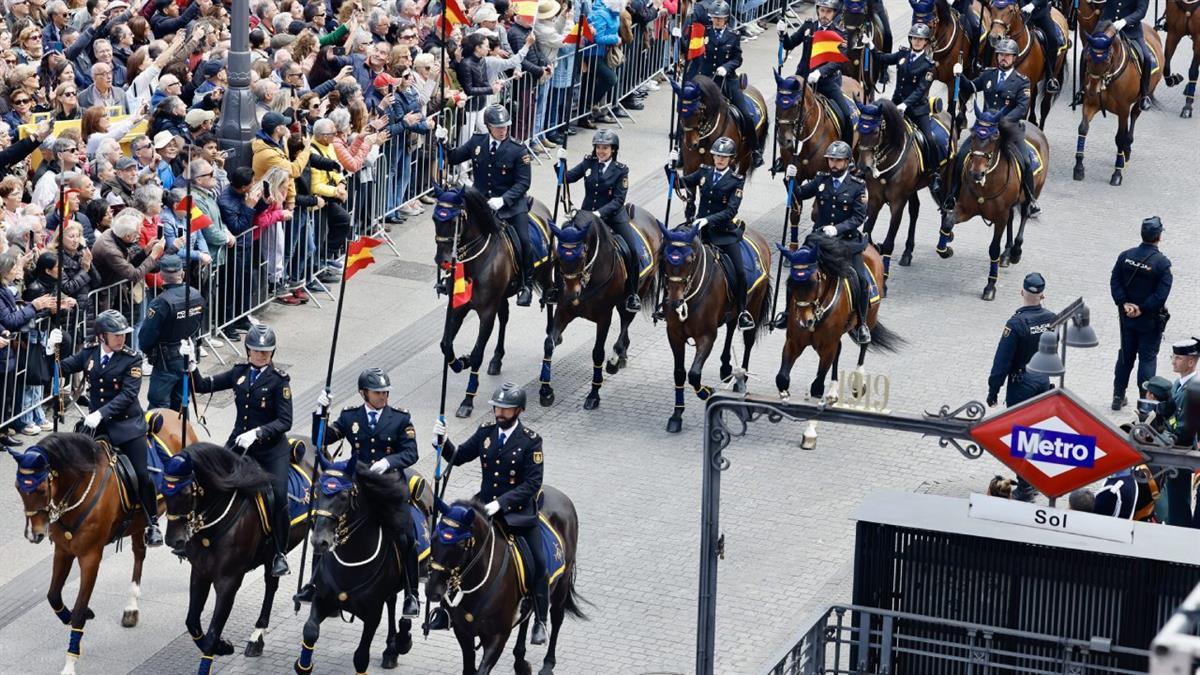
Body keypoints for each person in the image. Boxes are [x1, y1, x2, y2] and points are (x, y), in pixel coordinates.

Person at [429, 383, 549, 644]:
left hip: (516, 515)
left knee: (538, 562)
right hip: (482, 512)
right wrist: (442, 442)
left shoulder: (530, 441)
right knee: (451, 546)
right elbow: (459, 456)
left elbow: (532, 484)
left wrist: (502, 503)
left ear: (519, 410)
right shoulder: (486, 433)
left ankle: (540, 619)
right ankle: (445, 610)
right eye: (497, 408)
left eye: (506, 409)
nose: (500, 413)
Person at [296, 368, 421, 614]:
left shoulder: (400, 419)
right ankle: (314, 583)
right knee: (324, 521)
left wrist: (388, 462)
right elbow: (321, 441)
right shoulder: (350, 417)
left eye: (385, 392)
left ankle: (411, 594)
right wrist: (320, 415)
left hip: (387, 487)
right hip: (356, 486)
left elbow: (411, 452)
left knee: (407, 534)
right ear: (364, 393)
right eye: (377, 392)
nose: (383, 396)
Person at [186, 325, 293, 576]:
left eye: (265, 352)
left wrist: (258, 433)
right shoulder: (239, 373)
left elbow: (284, 421)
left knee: (278, 496)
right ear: (248, 351)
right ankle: (192, 533)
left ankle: (279, 553)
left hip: (269, 449)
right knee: (207, 479)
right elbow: (202, 386)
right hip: (239, 442)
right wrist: (191, 364)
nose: (261, 355)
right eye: (256, 351)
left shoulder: (279, 381)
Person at [48, 310, 162, 545]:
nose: (122, 339)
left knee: (141, 474)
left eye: (124, 334)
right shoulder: (89, 354)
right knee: (70, 464)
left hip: (127, 425)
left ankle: (153, 523)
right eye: (116, 335)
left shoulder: (132, 359)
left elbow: (128, 394)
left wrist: (100, 413)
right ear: (101, 337)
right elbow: (60, 369)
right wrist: (52, 351)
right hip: (97, 426)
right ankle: (63, 510)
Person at [438, 104, 534, 306]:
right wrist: (443, 141)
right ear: (488, 126)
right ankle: (452, 275)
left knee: (524, 240)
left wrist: (504, 199)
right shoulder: (477, 141)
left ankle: (526, 284)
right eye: (498, 127)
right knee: (458, 231)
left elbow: (523, 182)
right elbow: (454, 158)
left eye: (505, 126)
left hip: (510, 206)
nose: (503, 130)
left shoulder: (519, 150)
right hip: (481, 204)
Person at [785, 141, 871, 344]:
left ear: (848, 162)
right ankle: (786, 313)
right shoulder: (821, 180)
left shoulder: (858, 186)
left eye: (838, 160)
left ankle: (862, 324)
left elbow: (859, 218)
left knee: (861, 280)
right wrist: (790, 179)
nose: (833, 164)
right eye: (831, 160)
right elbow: (799, 194)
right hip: (820, 240)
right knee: (797, 272)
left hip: (845, 241)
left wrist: (838, 228)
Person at [670, 136, 755, 331]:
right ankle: (667, 301)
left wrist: (708, 219)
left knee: (740, 272)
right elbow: (679, 184)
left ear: (731, 159)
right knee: (674, 257)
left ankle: (742, 311)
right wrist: (671, 167)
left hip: (723, 233)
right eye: (717, 156)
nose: (719, 160)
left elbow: (730, 211)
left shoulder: (736, 181)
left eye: (724, 157)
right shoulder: (704, 173)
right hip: (700, 232)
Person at [986, 272, 1056, 502]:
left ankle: (1026, 486)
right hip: (1043, 380)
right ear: (1043, 294)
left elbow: (1002, 360)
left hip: (1021, 383)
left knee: (1021, 437)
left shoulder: (1015, 323)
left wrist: (993, 389)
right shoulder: (1052, 319)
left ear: (1022, 292)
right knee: (1039, 433)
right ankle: (1036, 480)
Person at [950, 38, 1039, 214]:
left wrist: (1002, 121)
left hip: (1009, 128)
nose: (1003, 58)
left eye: (1007, 55)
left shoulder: (1022, 81)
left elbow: (1022, 108)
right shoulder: (988, 75)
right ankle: (953, 195)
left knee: (1026, 161)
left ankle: (1030, 200)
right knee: (960, 156)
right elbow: (971, 87)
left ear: (1015, 58)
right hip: (984, 130)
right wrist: (960, 75)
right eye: (1000, 55)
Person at [560, 130, 641, 311]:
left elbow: (619, 200)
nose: (601, 151)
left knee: (631, 250)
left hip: (613, 217)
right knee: (567, 240)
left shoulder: (621, 170)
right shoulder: (589, 163)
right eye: (598, 147)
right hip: (587, 216)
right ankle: (559, 284)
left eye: (605, 148)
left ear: (613, 150)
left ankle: (632, 293)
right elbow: (567, 178)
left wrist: (600, 213)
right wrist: (561, 164)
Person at [1110, 216, 1171, 410]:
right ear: (1159, 236)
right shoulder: (1162, 264)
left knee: (1125, 357)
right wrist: (1142, 308)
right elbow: (1161, 294)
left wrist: (1125, 304)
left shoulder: (1125, 256)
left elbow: (1115, 282)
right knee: (1147, 359)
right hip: (1149, 322)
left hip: (1126, 318)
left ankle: (1117, 397)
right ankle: (1145, 402)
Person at [689, 1, 761, 167]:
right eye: (714, 18)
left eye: (720, 19)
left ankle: (755, 149)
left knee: (745, 113)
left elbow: (738, 58)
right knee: (688, 110)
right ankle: (680, 149)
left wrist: (726, 67)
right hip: (706, 80)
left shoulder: (733, 36)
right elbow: (692, 51)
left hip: (727, 80)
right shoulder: (703, 34)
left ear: (726, 19)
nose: (717, 21)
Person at [779, 0, 854, 146]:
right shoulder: (809, 26)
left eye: (829, 11)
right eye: (823, 10)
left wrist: (820, 72)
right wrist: (783, 34)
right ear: (818, 10)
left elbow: (839, 60)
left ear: (834, 14)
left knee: (845, 116)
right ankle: (784, 153)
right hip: (803, 80)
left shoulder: (840, 34)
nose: (825, 15)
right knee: (785, 108)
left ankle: (846, 153)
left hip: (826, 82)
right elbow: (790, 44)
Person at [873, 24, 942, 180]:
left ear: (926, 42)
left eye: (920, 39)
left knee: (929, 139)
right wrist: (870, 46)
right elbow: (883, 58)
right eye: (914, 38)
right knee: (876, 129)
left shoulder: (929, 65)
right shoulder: (903, 54)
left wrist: (905, 104)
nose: (917, 42)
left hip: (917, 109)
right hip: (896, 104)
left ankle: (935, 172)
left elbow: (920, 90)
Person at [137, 254, 204, 411]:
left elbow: (146, 335)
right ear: (182, 273)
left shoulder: (161, 302)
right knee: (181, 403)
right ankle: (182, 435)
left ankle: (158, 436)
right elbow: (198, 323)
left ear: (160, 275)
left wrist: (147, 351)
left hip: (166, 360)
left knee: (159, 405)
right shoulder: (195, 294)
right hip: (188, 354)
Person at [1101, 0, 1152, 109]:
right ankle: (1083, 90)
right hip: (1107, 26)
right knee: (1087, 51)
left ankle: (1144, 95)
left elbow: (1141, 11)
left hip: (1131, 30)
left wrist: (1125, 21)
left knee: (1146, 58)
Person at [1019, 0, 1063, 92]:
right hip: (1020, 12)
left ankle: (1050, 76)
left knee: (1053, 39)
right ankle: (990, 67)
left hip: (1040, 13)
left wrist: (1032, 5)